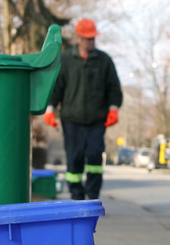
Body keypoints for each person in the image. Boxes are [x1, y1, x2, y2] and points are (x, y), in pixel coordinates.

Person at [42, 18, 123, 201]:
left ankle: (93, 197)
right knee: (74, 158)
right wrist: (50, 109)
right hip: (72, 120)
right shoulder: (66, 60)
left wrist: (113, 108)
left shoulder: (104, 61)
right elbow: (56, 88)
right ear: (79, 38)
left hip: (96, 120)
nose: (91, 41)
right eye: (87, 38)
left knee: (94, 156)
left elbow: (114, 88)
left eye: (93, 38)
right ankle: (77, 197)